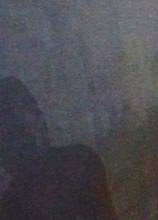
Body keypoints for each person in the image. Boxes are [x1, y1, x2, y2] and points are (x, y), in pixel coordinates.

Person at [0, 76, 117, 220]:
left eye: (19, 133)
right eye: (11, 135)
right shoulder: (12, 202)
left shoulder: (80, 162)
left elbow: (105, 214)